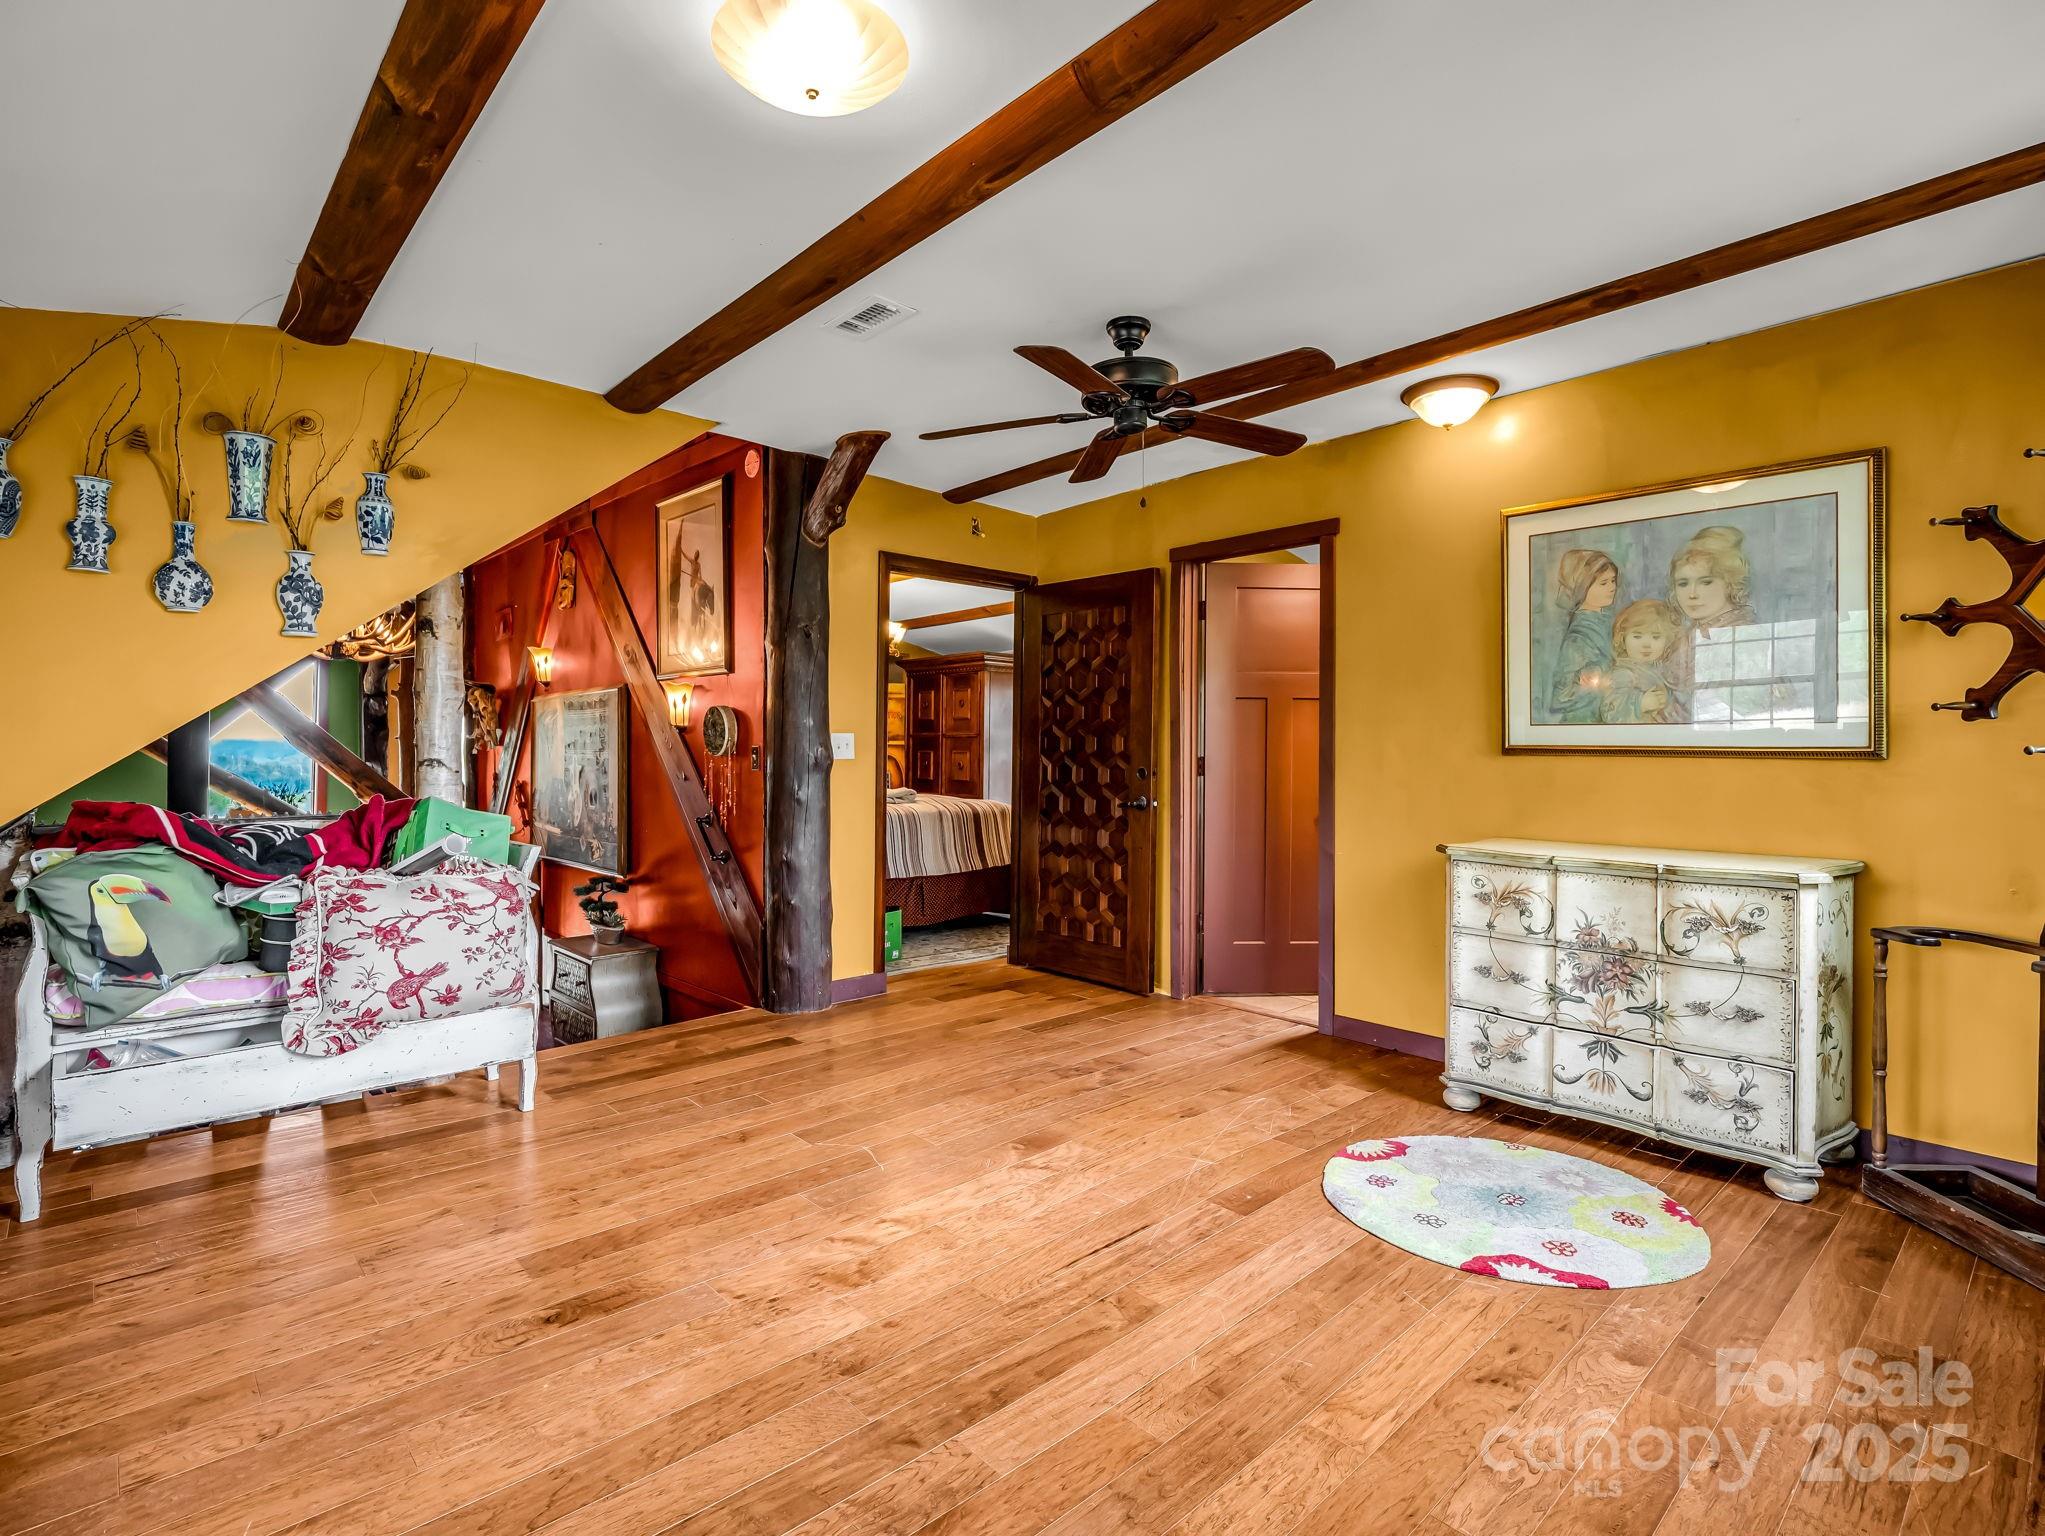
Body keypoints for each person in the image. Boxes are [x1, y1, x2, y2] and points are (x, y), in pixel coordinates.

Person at [1546, 548, 1619, 723]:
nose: (1612, 587)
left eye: (1613, 581)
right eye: (1603, 583)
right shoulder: (1579, 636)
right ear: (1582, 588)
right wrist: (1596, 674)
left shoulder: (1607, 621)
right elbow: (1560, 697)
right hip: (1585, 723)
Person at [1600, 599, 1685, 724]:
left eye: (1656, 637)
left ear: (1667, 640)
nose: (1646, 644)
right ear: (1623, 638)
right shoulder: (1623, 673)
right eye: (1637, 636)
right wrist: (1640, 703)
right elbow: (1610, 713)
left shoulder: (1661, 669)